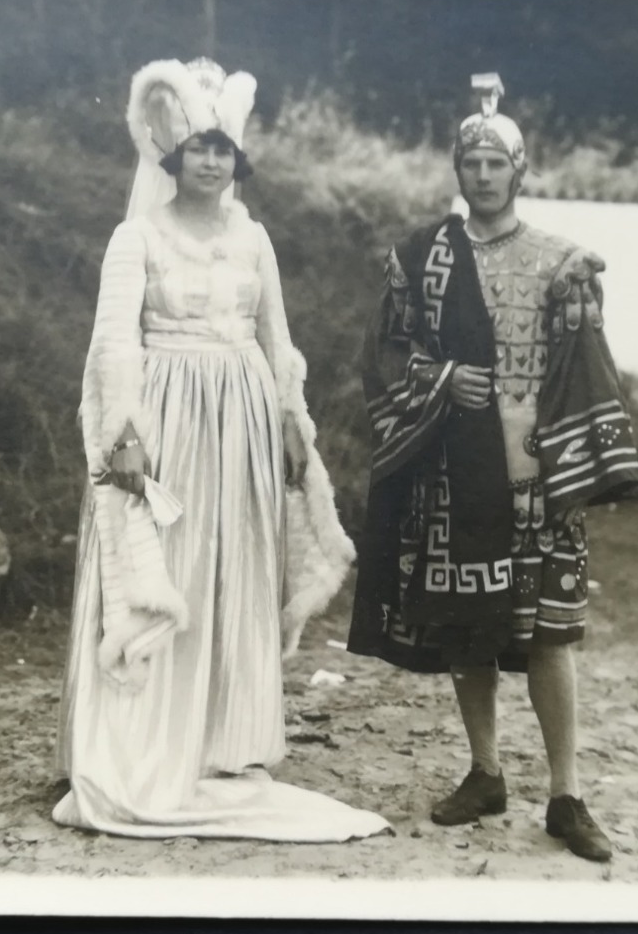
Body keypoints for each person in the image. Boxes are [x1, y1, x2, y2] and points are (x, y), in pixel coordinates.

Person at [52, 57, 389, 842]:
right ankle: (139, 743)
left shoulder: (255, 240)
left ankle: (219, 745)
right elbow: (114, 346)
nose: (211, 160)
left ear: (238, 158)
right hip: (166, 414)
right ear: (172, 155)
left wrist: (292, 429)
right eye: (198, 147)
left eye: (223, 149)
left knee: (231, 568)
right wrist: (126, 436)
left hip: (240, 414)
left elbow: (280, 343)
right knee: (170, 564)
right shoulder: (135, 236)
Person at [347, 74, 638, 862]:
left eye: (496, 163)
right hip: (452, 472)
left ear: (521, 171)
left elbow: (585, 366)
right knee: (467, 633)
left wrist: (576, 463)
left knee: (552, 635)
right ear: (457, 170)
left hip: (536, 476)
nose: (482, 175)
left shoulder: (559, 261)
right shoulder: (421, 260)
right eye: (470, 162)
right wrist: (444, 379)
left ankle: (567, 794)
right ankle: (484, 772)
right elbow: (384, 353)